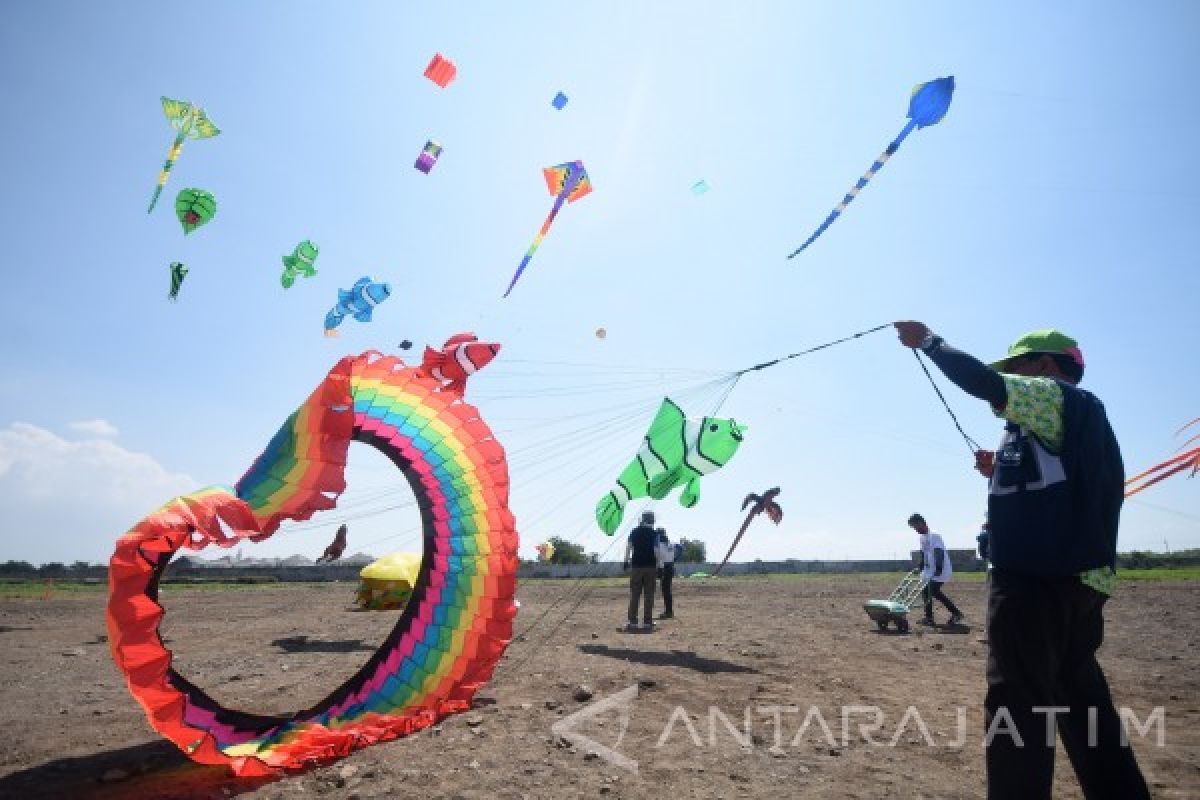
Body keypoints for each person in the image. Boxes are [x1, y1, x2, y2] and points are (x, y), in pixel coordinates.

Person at [895, 322, 1149, 800]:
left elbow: (982, 382)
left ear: (1046, 367)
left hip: (1036, 582)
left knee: (1018, 707)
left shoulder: (1057, 397)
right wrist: (1000, 468)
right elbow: (1058, 486)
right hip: (1079, 582)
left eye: (1018, 369)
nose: (1011, 382)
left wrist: (929, 343)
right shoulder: (1061, 425)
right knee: (1081, 703)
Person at [907, 513, 963, 626]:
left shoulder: (934, 536)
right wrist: (920, 566)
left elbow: (939, 552)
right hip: (930, 571)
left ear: (921, 523)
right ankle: (932, 617)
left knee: (929, 591)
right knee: (930, 592)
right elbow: (923, 554)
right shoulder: (922, 538)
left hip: (941, 569)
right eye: (913, 527)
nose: (915, 529)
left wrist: (939, 568)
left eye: (915, 526)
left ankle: (953, 614)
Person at [623, 511, 658, 630]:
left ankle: (632, 622)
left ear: (642, 519)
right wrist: (661, 565)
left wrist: (626, 561)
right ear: (652, 520)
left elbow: (628, 547)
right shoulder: (654, 533)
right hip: (651, 566)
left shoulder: (634, 531)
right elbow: (657, 550)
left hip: (636, 566)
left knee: (635, 594)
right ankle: (648, 622)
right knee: (649, 595)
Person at [655, 528, 676, 620]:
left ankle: (669, 611)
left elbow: (658, 557)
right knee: (667, 590)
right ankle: (669, 611)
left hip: (663, 567)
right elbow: (680, 548)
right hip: (670, 566)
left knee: (665, 590)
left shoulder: (658, 544)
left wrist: (659, 568)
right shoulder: (670, 544)